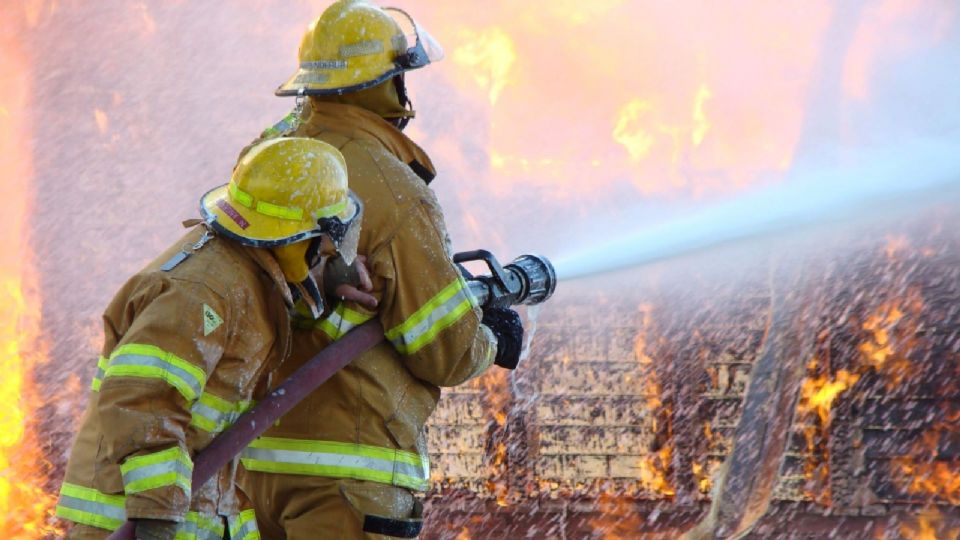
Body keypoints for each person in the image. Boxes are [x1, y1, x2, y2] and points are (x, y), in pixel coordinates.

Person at [237, 1, 526, 538]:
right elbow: (443, 348)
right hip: (350, 474)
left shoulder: (269, 155)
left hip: (252, 468)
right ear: (383, 83)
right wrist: (491, 338)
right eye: (399, 76)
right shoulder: (393, 189)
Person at [55, 137, 362, 540]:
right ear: (295, 236)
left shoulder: (244, 273)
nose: (327, 251)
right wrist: (156, 517)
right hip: (131, 520)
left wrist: (330, 280)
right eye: (322, 241)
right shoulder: (205, 291)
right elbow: (141, 397)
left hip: (196, 517)